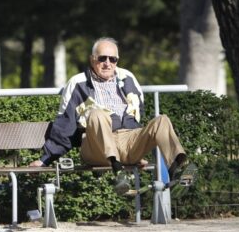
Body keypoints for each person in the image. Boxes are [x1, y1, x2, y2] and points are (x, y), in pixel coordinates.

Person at [29, 37, 190, 194]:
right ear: (92, 59)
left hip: (127, 140)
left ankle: (177, 169)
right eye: (102, 58)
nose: (107, 63)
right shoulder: (78, 83)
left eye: (113, 59)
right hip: (96, 145)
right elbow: (65, 124)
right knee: (97, 114)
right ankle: (117, 170)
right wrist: (45, 160)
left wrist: (135, 149)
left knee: (161, 120)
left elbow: (138, 115)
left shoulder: (127, 78)